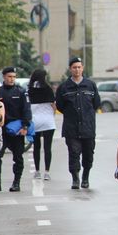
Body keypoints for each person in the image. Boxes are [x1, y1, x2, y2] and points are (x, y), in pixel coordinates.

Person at [55, 57, 101, 190]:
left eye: (79, 67)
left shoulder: (90, 85)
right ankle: (75, 178)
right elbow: (60, 106)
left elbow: (96, 103)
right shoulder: (64, 87)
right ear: (70, 69)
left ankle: (85, 177)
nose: (77, 69)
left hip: (88, 127)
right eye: (74, 67)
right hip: (72, 128)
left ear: (83, 68)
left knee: (88, 154)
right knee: (74, 153)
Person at [0, 66, 31, 192]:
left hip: (16, 130)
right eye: (9, 76)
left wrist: (25, 126)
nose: (12, 79)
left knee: (18, 157)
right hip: (1, 130)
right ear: (4, 77)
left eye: (14, 77)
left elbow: (26, 110)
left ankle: (16, 182)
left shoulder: (21, 92)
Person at [28, 69, 56, 181]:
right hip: (48, 121)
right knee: (47, 147)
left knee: (37, 147)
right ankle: (47, 172)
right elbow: (53, 105)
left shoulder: (30, 89)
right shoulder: (48, 89)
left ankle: (37, 171)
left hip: (35, 121)